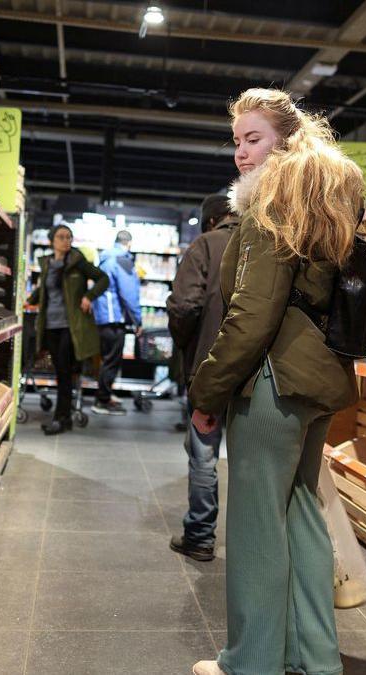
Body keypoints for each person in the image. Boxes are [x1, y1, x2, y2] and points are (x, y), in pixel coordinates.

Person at [188, 89, 365, 675]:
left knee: (257, 528)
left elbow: (252, 315)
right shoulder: (324, 201)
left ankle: (250, 663)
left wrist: (207, 393)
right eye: (237, 141)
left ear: (285, 139)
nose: (241, 153)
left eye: (253, 138)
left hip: (271, 383)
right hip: (318, 382)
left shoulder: (273, 204)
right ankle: (315, 660)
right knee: (302, 516)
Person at [166, 195, 239, 562]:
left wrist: (186, 345)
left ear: (210, 220)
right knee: (248, 459)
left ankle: (200, 536)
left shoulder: (205, 245)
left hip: (208, 368)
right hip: (256, 372)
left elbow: (184, 306)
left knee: (203, 452)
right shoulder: (263, 244)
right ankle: (251, 544)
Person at [27, 224, 109, 436]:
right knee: (60, 372)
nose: (66, 240)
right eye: (61, 237)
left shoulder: (77, 261)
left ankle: (60, 418)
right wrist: (29, 301)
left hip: (70, 327)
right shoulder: (47, 263)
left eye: (69, 237)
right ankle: (65, 417)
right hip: (50, 325)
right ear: (52, 240)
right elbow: (44, 289)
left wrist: (88, 297)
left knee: (64, 372)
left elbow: (103, 279)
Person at [92, 230, 142, 415]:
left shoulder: (105, 258)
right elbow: (129, 293)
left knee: (107, 359)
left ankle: (105, 395)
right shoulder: (122, 259)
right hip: (114, 318)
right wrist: (138, 319)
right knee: (112, 360)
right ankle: (102, 401)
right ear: (129, 243)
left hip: (103, 316)